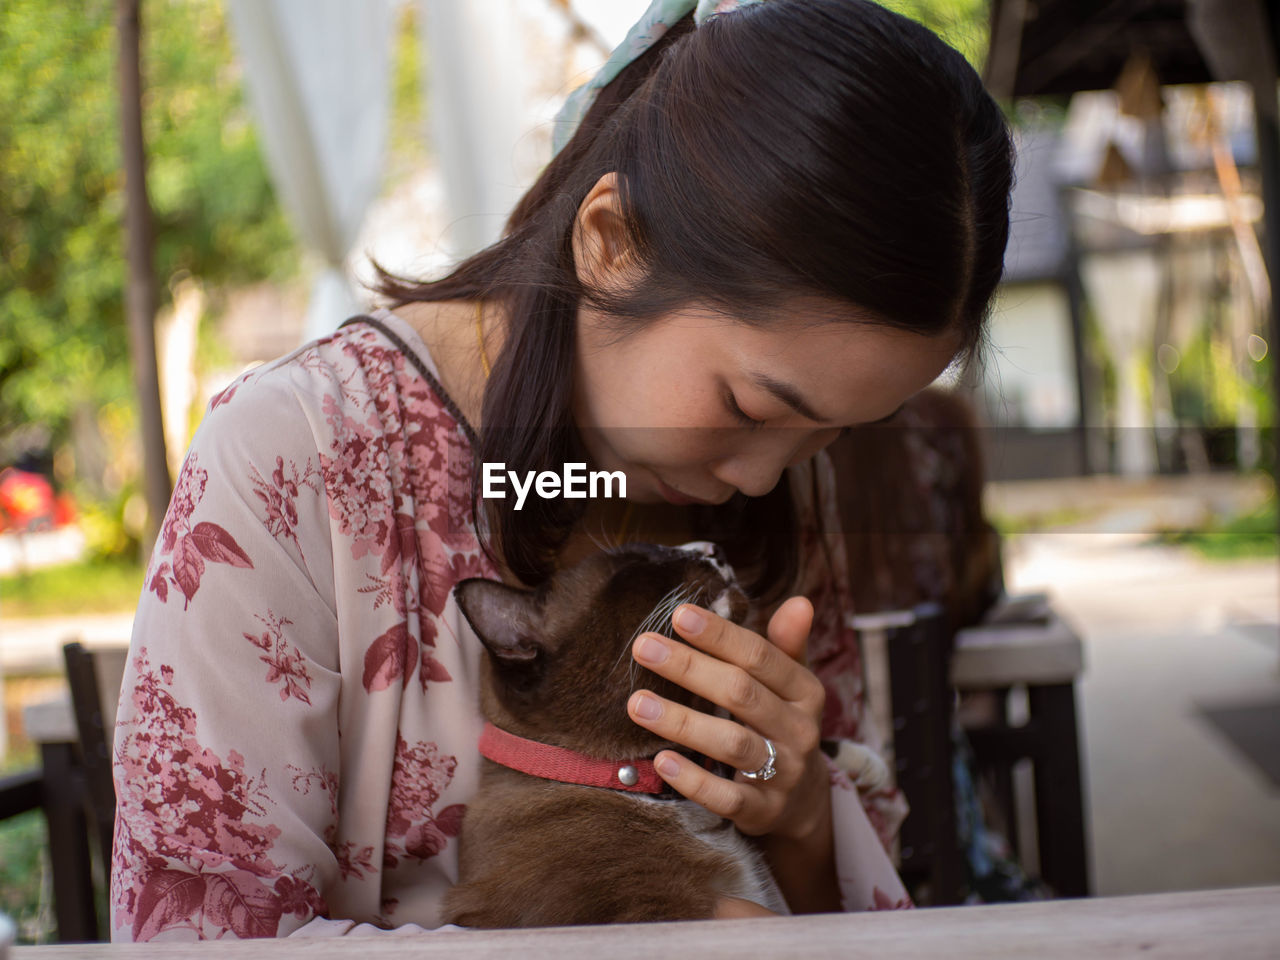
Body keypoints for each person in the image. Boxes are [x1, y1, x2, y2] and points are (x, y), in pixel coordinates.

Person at [110, 0, 1013, 940]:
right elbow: (197, 938)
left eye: (836, 434)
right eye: (750, 407)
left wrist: (798, 821)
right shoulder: (295, 460)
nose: (762, 479)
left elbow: (840, 911)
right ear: (610, 242)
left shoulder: (778, 479)